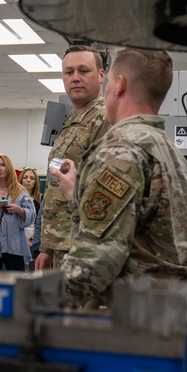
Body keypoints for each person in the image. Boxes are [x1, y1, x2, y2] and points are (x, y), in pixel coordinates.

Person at [49, 48, 187, 309]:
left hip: (126, 317)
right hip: (166, 312)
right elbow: (145, 230)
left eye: (106, 83)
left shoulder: (121, 151)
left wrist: (40, 302)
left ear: (119, 85)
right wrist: (79, 194)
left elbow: (97, 256)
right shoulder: (170, 151)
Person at [34, 45, 110, 271]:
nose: (75, 78)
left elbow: (106, 190)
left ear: (101, 75)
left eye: (83, 71)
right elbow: (57, 190)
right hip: (62, 244)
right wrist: (48, 247)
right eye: (69, 72)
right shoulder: (73, 122)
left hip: (85, 246)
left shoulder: (104, 119)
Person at [19, 167, 41, 258]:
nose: (28, 180)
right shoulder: (14, 199)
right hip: (18, 242)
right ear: (21, 180)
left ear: (35, 182)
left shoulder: (40, 200)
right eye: (25, 177)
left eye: (32, 178)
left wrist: (33, 240)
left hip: (35, 243)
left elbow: (40, 223)